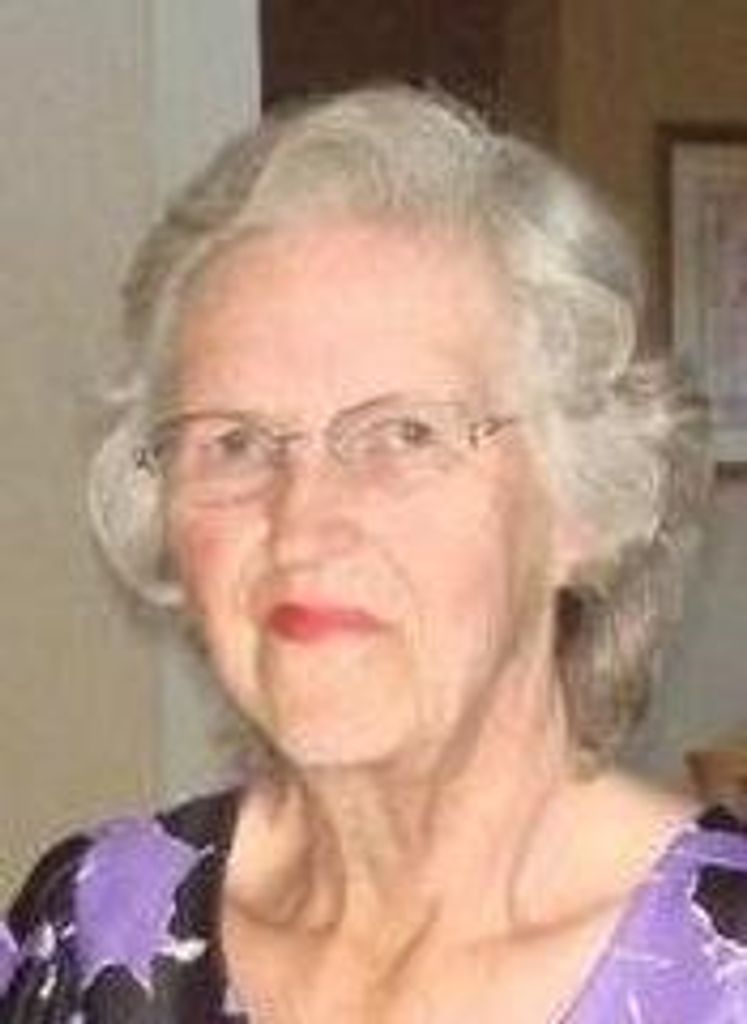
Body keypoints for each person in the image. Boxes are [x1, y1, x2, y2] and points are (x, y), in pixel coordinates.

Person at [1, 83, 745, 1023]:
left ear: (580, 504)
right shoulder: (87, 931)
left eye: (403, 434)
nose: (302, 523)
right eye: (234, 442)